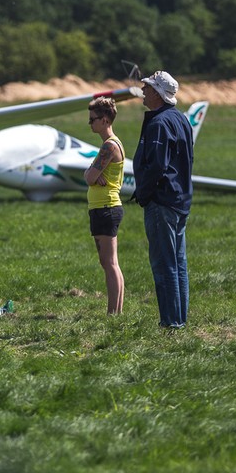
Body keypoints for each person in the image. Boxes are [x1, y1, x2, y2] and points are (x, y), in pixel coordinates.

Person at [132, 71, 194, 328]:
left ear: (157, 92)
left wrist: (144, 194)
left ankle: (171, 323)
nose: (143, 91)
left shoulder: (159, 123)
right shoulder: (180, 119)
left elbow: (157, 166)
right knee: (178, 263)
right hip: (180, 200)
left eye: (147, 87)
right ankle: (179, 319)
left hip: (162, 201)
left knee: (164, 264)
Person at [84, 97, 126, 315]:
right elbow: (91, 176)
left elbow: (90, 177)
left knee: (109, 264)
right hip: (104, 207)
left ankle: (113, 313)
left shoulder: (109, 146)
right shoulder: (109, 145)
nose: (90, 124)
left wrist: (91, 174)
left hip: (106, 208)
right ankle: (115, 312)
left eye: (93, 120)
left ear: (105, 120)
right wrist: (92, 175)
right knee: (110, 263)